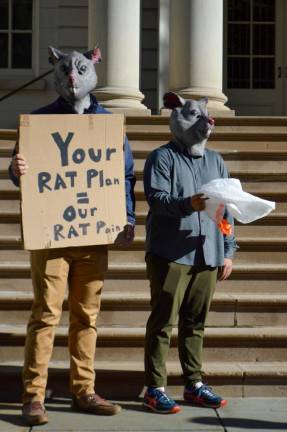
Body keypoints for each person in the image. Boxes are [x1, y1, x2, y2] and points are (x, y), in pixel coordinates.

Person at [9, 46, 135, 426]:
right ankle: (34, 395)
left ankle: (83, 389)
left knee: (87, 315)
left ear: (92, 69)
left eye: (79, 70)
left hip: (92, 234)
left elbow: (124, 175)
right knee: (46, 314)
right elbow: (22, 174)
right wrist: (17, 168)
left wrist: (127, 217)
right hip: (52, 236)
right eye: (65, 71)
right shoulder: (39, 122)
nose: (71, 79)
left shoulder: (109, 124)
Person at [142, 92, 237, 414]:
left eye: (206, 117)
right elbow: (156, 199)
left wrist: (227, 250)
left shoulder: (216, 160)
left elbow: (226, 210)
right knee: (163, 322)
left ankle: (194, 383)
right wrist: (187, 205)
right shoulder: (162, 157)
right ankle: (155, 387)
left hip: (207, 254)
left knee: (195, 323)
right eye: (196, 117)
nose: (206, 122)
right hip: (170, 254)